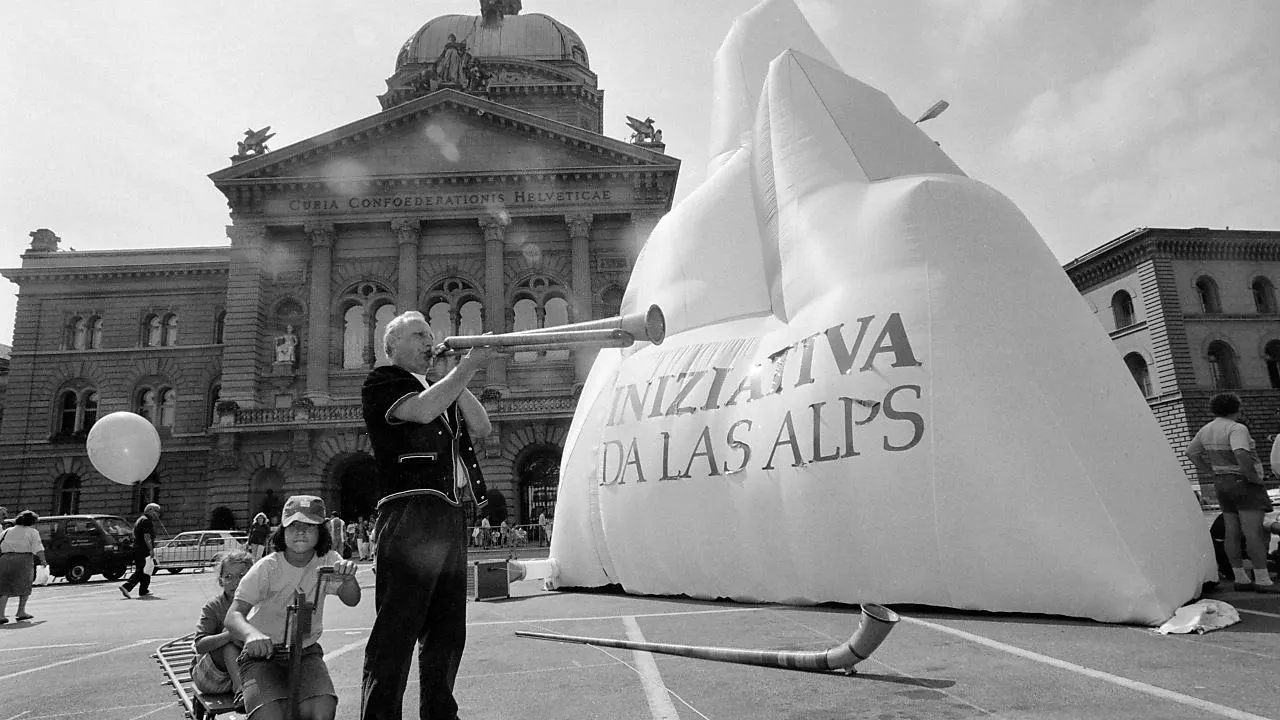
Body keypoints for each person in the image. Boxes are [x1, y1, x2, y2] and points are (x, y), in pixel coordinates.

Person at [360, 310, 496, 720]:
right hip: (410, 511)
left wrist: (456, 374)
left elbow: (483, 427)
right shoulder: (383, 380)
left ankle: (440, 714)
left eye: (429, 334)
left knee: (447, 630)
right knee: (398, 628)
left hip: (449, 512)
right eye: (418, 334)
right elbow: (420, 411)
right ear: (392, 346)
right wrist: (465, 368)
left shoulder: (441, 388)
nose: (428, 341)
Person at [225, 495, 360, 720]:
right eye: (294, 525)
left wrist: (348, 579)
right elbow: (233, 615)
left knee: (321, 711)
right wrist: (251, 635)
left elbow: (352, 599)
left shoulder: (329, 559)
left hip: (306, 652)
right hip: (263, 656)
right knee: (270, 715)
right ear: (283, 530)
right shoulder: (268, 567)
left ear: (321, 531)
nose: (301, 532)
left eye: (309, 526)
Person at [1186, 393, 1278, 593]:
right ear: (1237, 408)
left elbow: (1191, 452)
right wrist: (1253, 477)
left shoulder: (1206, 429)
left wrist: (1210, 471)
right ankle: (1262, 579)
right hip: (1243, 482)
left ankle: (1240, 578)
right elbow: (1240, 452)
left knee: (1232, 531)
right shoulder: (1236, 428)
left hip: (1222, 483)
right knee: (1253, 532)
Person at [192, 550, 253, 712]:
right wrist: (230, 635)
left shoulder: (259, 603)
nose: (235, 582)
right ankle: (240, 691)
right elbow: (200, 645)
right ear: (221, 581)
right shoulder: (214, 606)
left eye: (242, 576)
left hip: (249, 669)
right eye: (228, 577)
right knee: (231, 630)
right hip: (212, 676)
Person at [0, 510, 48, 623]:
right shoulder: (32, 532)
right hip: (24, 559)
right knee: (25, 585)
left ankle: (1, 615)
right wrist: (43, 561)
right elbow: (38, 548)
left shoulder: (7, 531)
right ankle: (21, 611)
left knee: (4, 588)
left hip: (5, 559)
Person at [120, 503, 161, 599]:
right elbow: (147, 536)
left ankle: (144, 590)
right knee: (142, 570)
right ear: (150, 510)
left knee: (147, 568)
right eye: (156, 511)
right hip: (143, 549)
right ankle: (126, 587)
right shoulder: (146, 521)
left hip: (138, 548)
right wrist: (151, 549)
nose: (158, 514)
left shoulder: (140, 519)